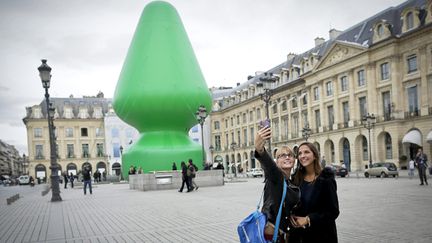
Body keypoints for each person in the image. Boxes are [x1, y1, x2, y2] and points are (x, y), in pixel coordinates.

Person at [255, 126, 300, 243]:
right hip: (271, 236)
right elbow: (268, 165)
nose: (287, 157)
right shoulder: (276, 177)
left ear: (294, 160)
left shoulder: (290, 182)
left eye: (290, 155)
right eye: (282, 155)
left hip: (283, 236)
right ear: (277, 161)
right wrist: (259, 149)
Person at [289, 142, 339, 243]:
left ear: (315, 155)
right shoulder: (296, 179)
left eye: (306, 152)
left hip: (321, 235)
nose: (303, 156)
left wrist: (308, 219)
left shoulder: (325, 179)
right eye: (300, 153)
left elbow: (333, 212)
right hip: (299, 236)